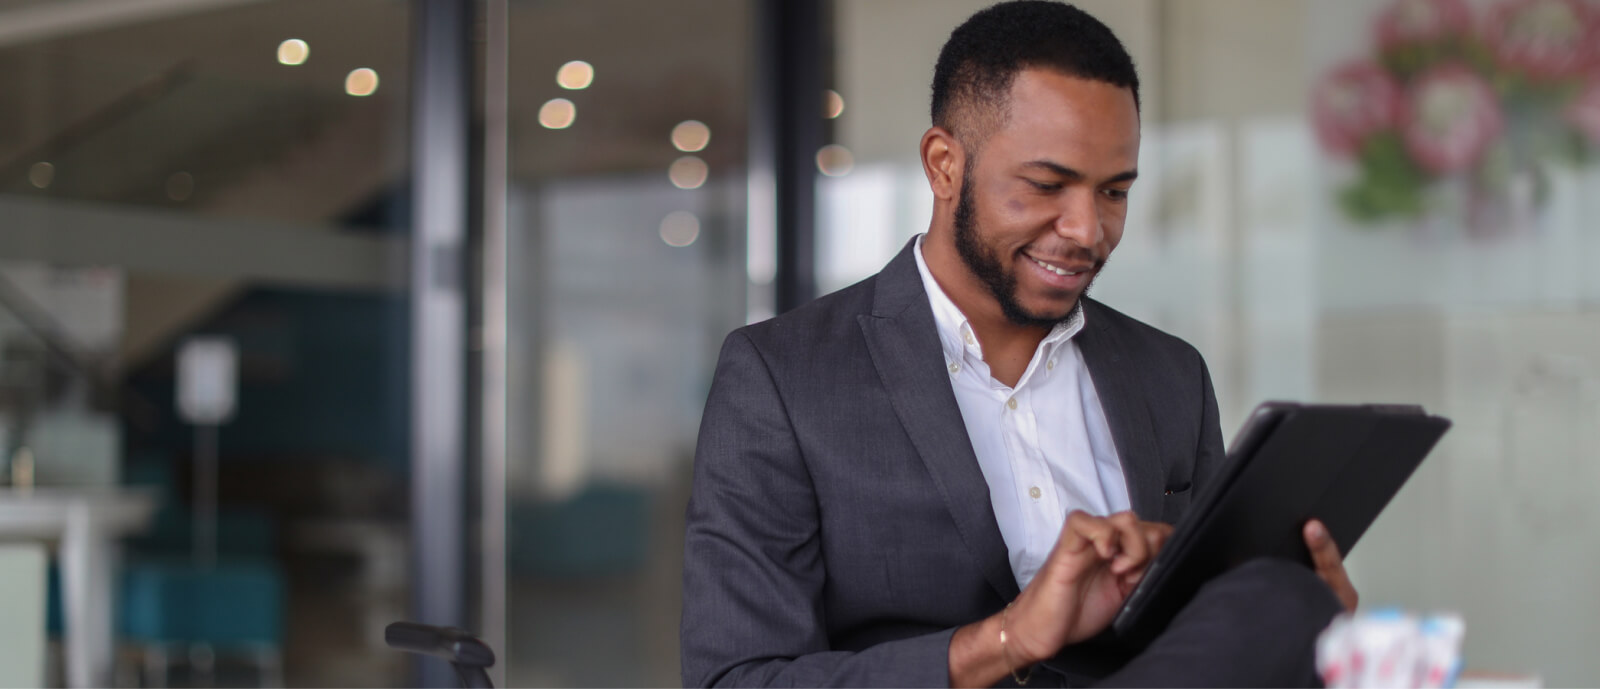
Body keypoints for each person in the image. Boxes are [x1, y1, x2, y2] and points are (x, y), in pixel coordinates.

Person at [681, 2, 1357, 686]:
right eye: (1047, 185)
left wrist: (1303, 625)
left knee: (1283, 599)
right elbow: (737, 678)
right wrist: (1006, 639)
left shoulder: (1169, 373)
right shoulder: (783, 376)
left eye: (1115, 192)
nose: (1088, 229)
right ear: (944, 166)